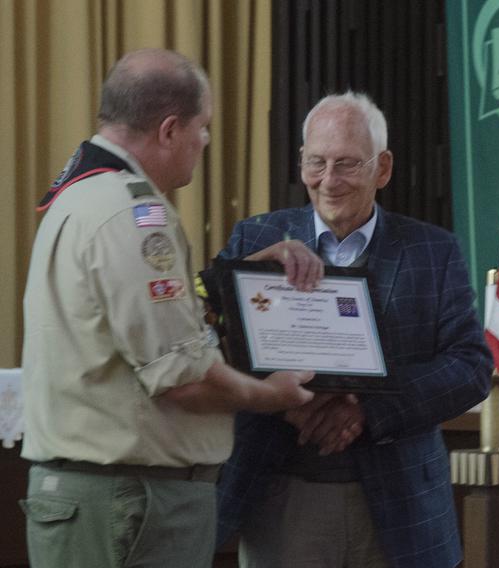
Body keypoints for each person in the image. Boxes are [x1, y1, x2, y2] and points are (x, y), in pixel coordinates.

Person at [19, 48, 320, 568]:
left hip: (101, 497)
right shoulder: (136, 214)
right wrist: (270, 395)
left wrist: (238, 276)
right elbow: (184, 378)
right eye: (203, 128)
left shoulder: (84, 196)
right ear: (169, 129)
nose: (204, 142)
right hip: (131, 502)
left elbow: (132, 317)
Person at [212, 92, 493, 567]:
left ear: (382, 169)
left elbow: (470, 367)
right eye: (316, 163)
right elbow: (208, 339)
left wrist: (365, 409)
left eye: (346, 164)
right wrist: (285, 402)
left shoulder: (433, 250)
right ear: (301, 162)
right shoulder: (256, 240)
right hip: (282, 497)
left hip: (401, 511)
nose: (328, 181)